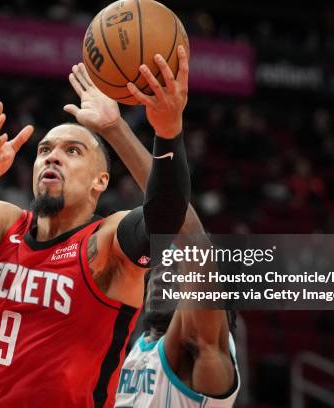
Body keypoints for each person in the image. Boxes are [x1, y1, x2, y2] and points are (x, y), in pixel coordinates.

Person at [0, 46, 192, 407]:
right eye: (44, 149)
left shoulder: (103, 243)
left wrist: (167, 132)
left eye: (73, 151)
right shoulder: (8, 224)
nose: (52, 156)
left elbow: (165, 218)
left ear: (99, 182)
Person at [64, 63, 239, 407]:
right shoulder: (135, 352)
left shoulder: (205, 354)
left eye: (177, 269)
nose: (161, 270)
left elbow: (189, 237)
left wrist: (117, 130)